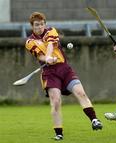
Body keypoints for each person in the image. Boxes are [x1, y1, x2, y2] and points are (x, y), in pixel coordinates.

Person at [25, 12, 103, 140]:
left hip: (64, 69)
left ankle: (94, 120)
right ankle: (59, 134)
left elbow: (50, 44)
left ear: (45, 24)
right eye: (37, 25)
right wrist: (47, 59)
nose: (40, 27)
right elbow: (40, 56)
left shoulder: (51, 31)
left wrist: (50, 56)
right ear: (32, 26)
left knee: (80, 93)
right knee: (55, 101)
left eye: (42, 24)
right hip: (49, 74)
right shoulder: (30, 41)